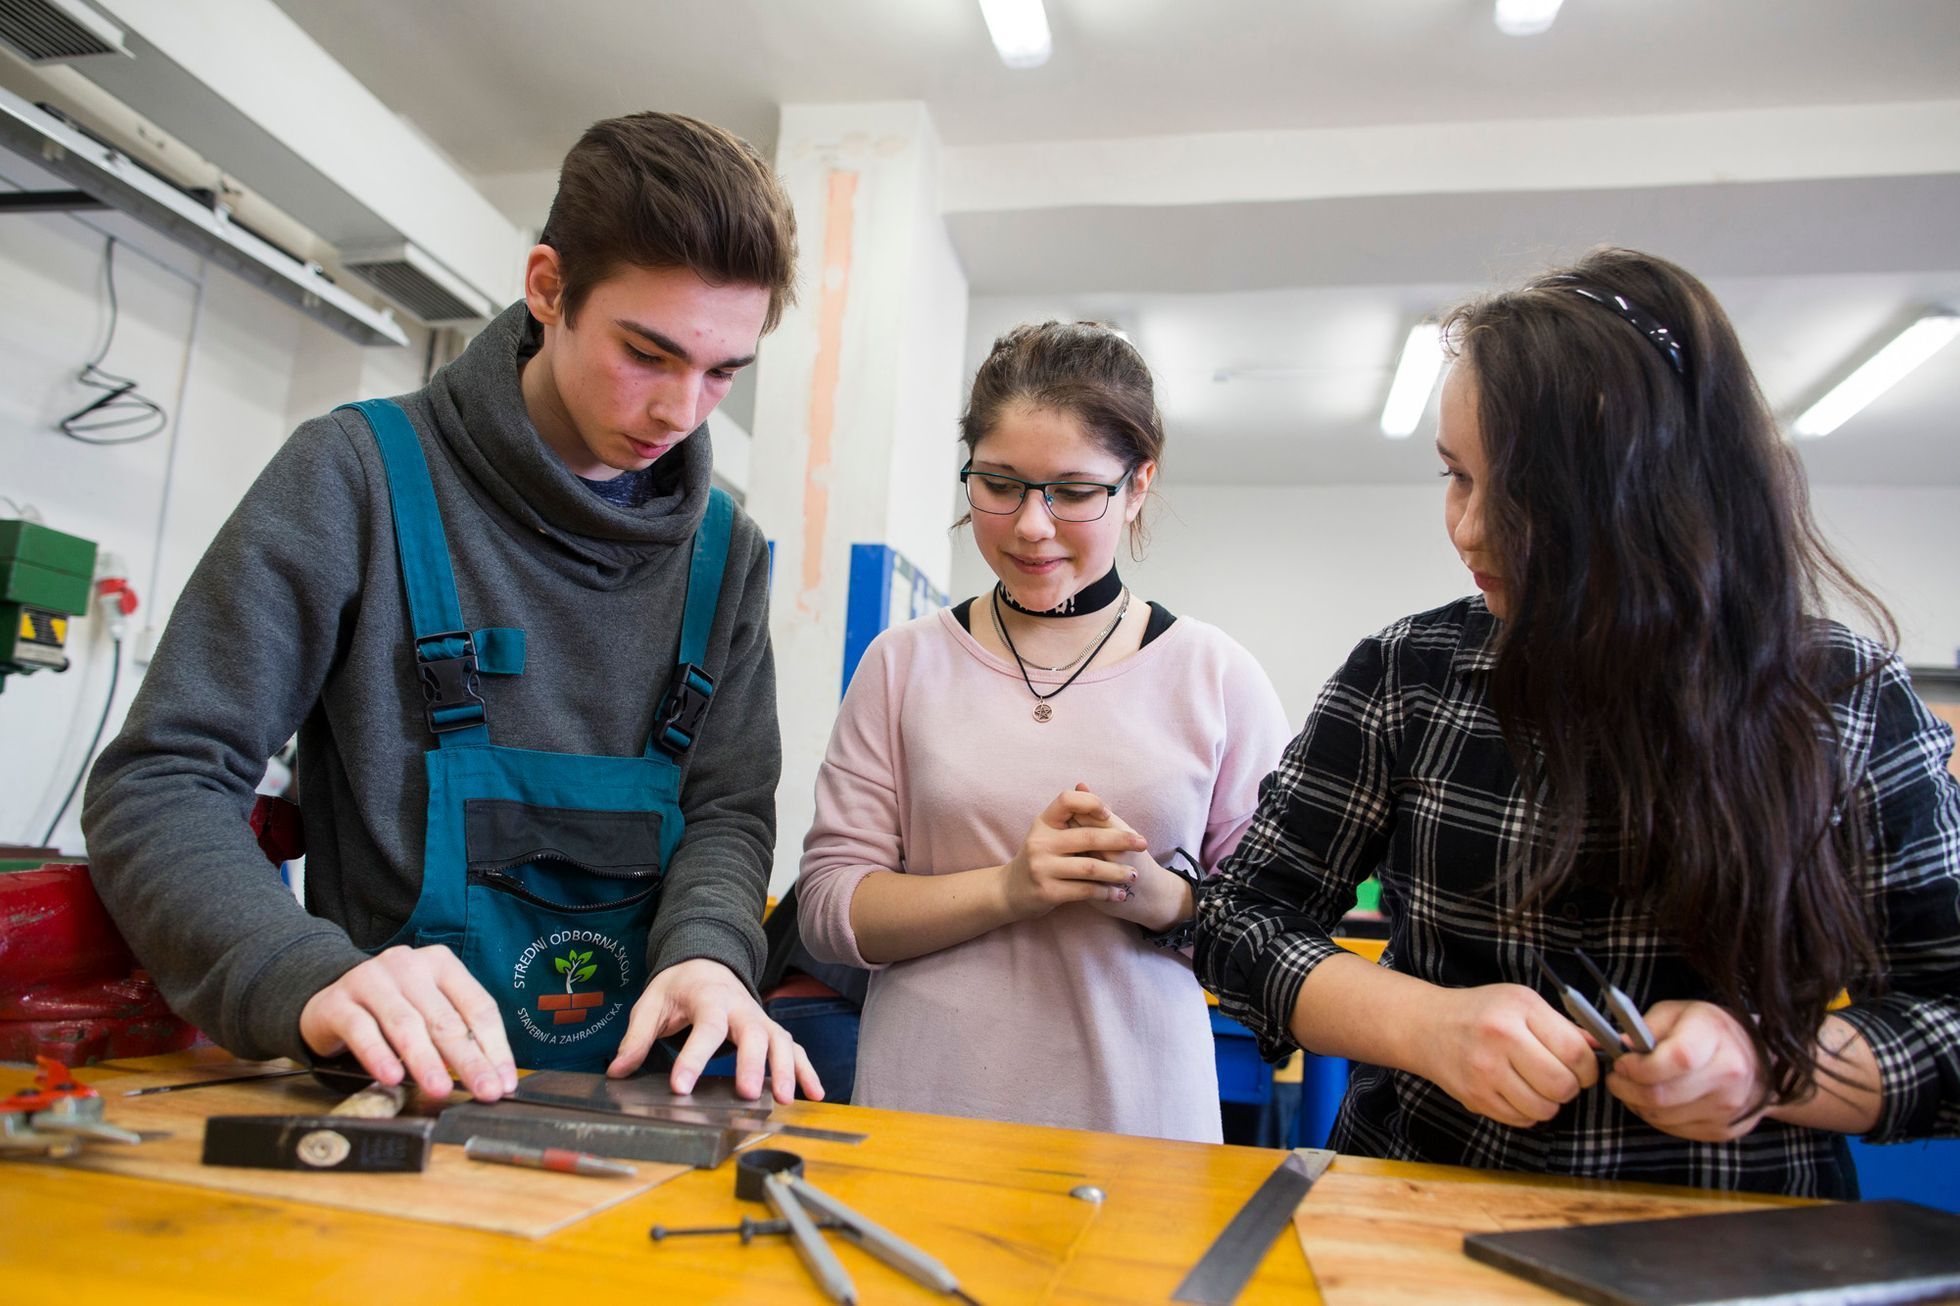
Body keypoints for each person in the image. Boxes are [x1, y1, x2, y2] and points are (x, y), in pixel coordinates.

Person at [82, 112, 821, 1106]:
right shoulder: (356, 479)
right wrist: (297, 968)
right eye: (647, 354)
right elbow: (163, 779)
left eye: (723, 371)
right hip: (384, 1107)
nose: (681, 412)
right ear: (548, 287)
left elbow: (725, 811)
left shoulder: (728, 553)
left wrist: (712, 952)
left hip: (639, 1110)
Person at [1196, 248, 1960, 1198]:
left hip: (1737, 1239)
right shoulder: (1409, 674)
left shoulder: (1846, 698)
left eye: (1522, 494)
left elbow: (1949, 1011)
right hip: (1410, 1212)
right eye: (1456, 477)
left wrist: (1774, 1067)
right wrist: (1423, 1025)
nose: (1469, 531)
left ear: (1656, 488)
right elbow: (1240, 917)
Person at [796, 321, 1290, 1141]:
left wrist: (1160, 897)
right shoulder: (902, 664)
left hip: (1141, 1128)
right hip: (925, 1119)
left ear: (1137, 486)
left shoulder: (1216, 675)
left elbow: (1275, 938)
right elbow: (828, 909)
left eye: (1072, 490)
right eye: (1000, 484)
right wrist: (1008, 889)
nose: (1031, 524)